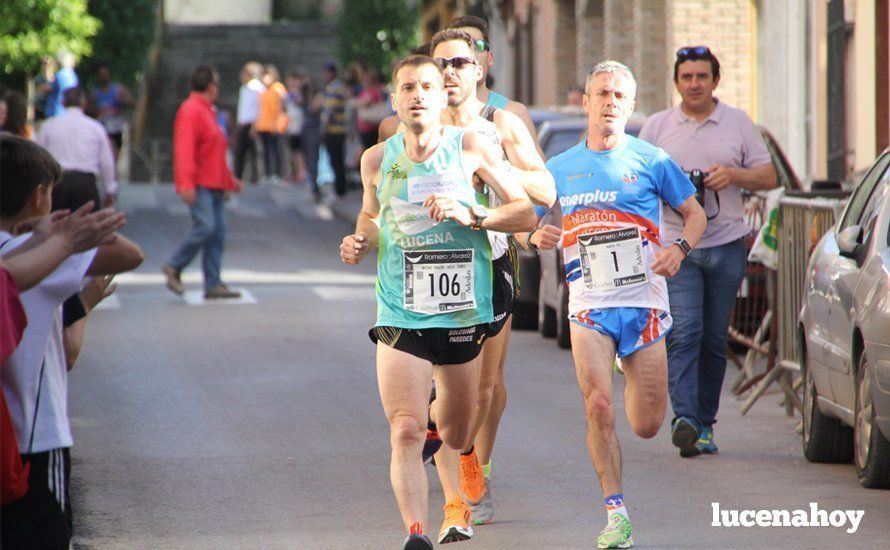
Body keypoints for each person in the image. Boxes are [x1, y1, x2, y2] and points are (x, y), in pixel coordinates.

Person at [339, 55, 535, 549]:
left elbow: (524, 212)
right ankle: (416, 532)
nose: (419, 95)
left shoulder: (468, 147)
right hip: (400, 309)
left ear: (442, 94)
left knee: (454, 428)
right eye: (408, 87)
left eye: (428, 86)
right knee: (405, 429)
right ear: (394, 99)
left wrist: (472, 214)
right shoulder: (377, 159)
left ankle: (461, 446)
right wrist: (361, 239)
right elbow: (370, 216)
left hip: (460, 313)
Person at [545, 61, 705, 548]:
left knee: (647, 424)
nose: (610, 102)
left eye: (619, 95)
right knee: (598, 406)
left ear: (631, 106)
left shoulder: (653, 160)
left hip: (644, 303)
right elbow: (525, 216)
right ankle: (616, 514)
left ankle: (626, 361)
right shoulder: (559, 168)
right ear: (587, 102)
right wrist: (533, 232)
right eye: (602, 93)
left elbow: (694, 214)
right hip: (589, 304)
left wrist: (679, 250)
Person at [426, 28, 556, 526]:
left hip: (490, 261)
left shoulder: (501, 122)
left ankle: (469, 459)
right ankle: (453, 500)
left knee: (483, 388)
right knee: (440, 391)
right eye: (440, 64)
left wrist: (492, 169)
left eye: (459, 62)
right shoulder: (414, 126)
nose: (449, 72)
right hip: (433, 268)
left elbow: (544, 188)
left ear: (479, 68)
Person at [0, 135, 143, 548]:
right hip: (33, 439)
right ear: (39, 195)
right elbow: (129, 255)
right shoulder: (47, 259)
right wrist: (61, 236)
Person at [639, 46, 777, 457]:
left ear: (715, 81)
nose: (694, 84)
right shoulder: (658, 126)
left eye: (702, 76)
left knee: (714, 340)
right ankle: (684, 418)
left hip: (726, 245)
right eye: (687, 77)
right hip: (677, 248)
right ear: (676, 82)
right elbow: (636, 178)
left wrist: (732, 175)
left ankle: (704, 424)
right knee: (685, 332)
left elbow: (769, 175)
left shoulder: (737, 122)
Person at [161, 66, 243, 300]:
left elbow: (215, 150)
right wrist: (185, 183)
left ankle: (213, 283)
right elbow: (184, 149)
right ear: (210, 87)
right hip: (200, 183)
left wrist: (230, 180)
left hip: (216, 182)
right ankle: (175, 265)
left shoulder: (209, 111)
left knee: (217, 234)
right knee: (206, 226)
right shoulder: (191, 110)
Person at [446, 16, 540, 150]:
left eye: (477, 46)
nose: (470, 54)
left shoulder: (513, 113)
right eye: (460, 48)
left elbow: (539, 169)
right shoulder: (430, 117)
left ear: (490, 57)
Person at [37, 88, 118, 211]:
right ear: (84, 103)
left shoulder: (49, 126)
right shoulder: (96, 128)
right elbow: (106, 163)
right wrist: (109, 190)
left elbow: (39, 158)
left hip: (57, 184)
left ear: (63, 102)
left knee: (55, 227)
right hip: (85, 185)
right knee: (87, 228)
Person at [90, 63, 134, 164]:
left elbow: (132, 103)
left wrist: (123, 101)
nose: (103, 78)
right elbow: (90, 110)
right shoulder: (95, 93)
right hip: (102, 128)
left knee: (116, 153)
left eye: (105, 75)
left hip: (117, 127)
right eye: (100, 76)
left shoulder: (118, 90)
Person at [234, 62, 265, 184]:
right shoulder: (244, 88)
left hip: (252, 123)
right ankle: (238, 177)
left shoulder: (256, 87)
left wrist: (255, 124)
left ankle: (255, 177)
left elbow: (259, 106)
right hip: (243, 123)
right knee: (241, 152)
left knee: (254, 153)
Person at [255, 65, 287, 184]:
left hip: (275, 125)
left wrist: (276, 123)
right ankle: (267, 173)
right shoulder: (262, 90)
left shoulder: (278, 88)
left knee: (276, 150)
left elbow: (280, 108)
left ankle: (278, 173)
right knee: (265, 151)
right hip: (263, 125)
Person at [322, 63, 349, 197]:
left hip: (336, 129)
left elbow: (331, 110)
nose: (325, 76)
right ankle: (339, 189)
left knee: (337, 161)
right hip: (334, 129)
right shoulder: (331, 88)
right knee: (335, 161)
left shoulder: (335, 88)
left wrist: (325, 124)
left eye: (327, 73)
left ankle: (340, 190)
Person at [300, 77, 324, 200]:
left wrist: (309, 95)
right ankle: (311, 181)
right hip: (305, 131)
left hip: (315, 130)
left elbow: (313, 108)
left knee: (314, 158)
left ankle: (315, 185)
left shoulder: (317, 96)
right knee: (307, 158)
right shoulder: (302, 97)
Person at [284, 71, 307, 183]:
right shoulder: (288, 94)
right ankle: (296, 171)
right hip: (291, 125)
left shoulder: (301, 94)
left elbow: (300, 103)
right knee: (293, 151)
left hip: (300, 125)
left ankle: (302, 171)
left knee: (300, 151)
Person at [44, 51, 79, 119]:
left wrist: (47, 70)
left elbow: (46, 89)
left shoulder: (59, 75)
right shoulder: (74, 76)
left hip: (55, 112)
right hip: (67, 112)